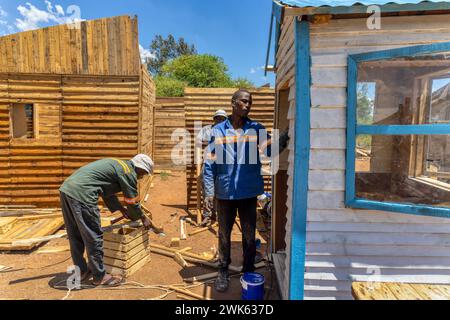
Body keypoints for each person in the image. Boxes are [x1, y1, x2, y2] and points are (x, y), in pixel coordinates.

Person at [203, 89, 289, 292]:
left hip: (249, 192)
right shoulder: (217, 131)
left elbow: (271, 150)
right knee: (224, 234)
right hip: (224, 193)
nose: (248, 105)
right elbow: (209, 163)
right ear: (233, 103)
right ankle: (222, 270)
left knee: (249, 236)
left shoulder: (257, 128)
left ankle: (248, 270)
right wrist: (208, 191)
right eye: (244, 101)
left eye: (250, 102)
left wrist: (285, 136)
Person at [59, 154, 154, 287]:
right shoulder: (128, 172)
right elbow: (132, 201)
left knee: (75, 234)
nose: (142, 177)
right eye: (143, 173)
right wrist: (142, 217)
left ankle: (80, 271)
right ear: (140, 168)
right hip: (83, 195)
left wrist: (121, 210)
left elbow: (107, 192)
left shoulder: (118, 165)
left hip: (67, 190)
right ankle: (100, 277)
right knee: (94, 236)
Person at [196, 109, 228, 227]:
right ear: (214, 119)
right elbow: (198, 143)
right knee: (207, 190)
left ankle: (220, 215)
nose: (220, 120)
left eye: (222, 118)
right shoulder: (207, 129)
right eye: (218, 118)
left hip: (223, 164)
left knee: (221, 190)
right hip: (209, 162)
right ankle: (207, 216)